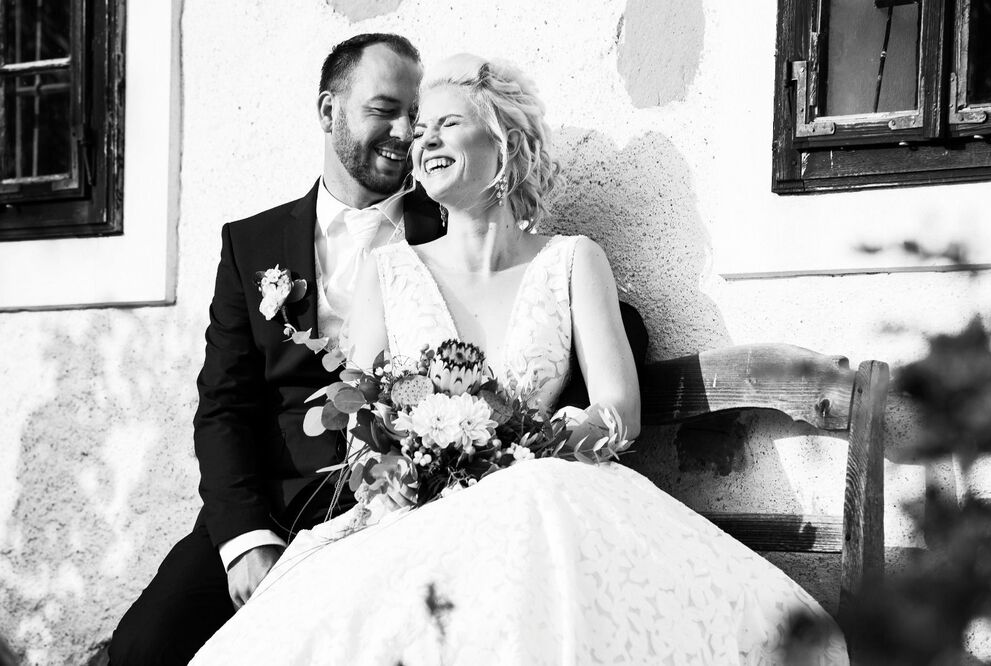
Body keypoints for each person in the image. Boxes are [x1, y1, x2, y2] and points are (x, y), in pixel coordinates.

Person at [188, 54, 849, 665]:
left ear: (503, 142)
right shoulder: (387, 273)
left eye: (447, 124)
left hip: (542, 495)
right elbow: (361, 427)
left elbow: (619, 409)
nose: (424, 140)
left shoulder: (573, 261)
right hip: (420, 517)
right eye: (421, 130)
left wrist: (538, 442)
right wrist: (397, 467)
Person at [108, 34, 443, 666]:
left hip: (399, 508)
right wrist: (245, 537)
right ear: (328, 111)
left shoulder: (448, 226)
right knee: (143, 648)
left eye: (415, 115)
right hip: (274, 505)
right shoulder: (251, 244)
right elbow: (223, 405)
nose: (405, 132)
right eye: (384, 110)